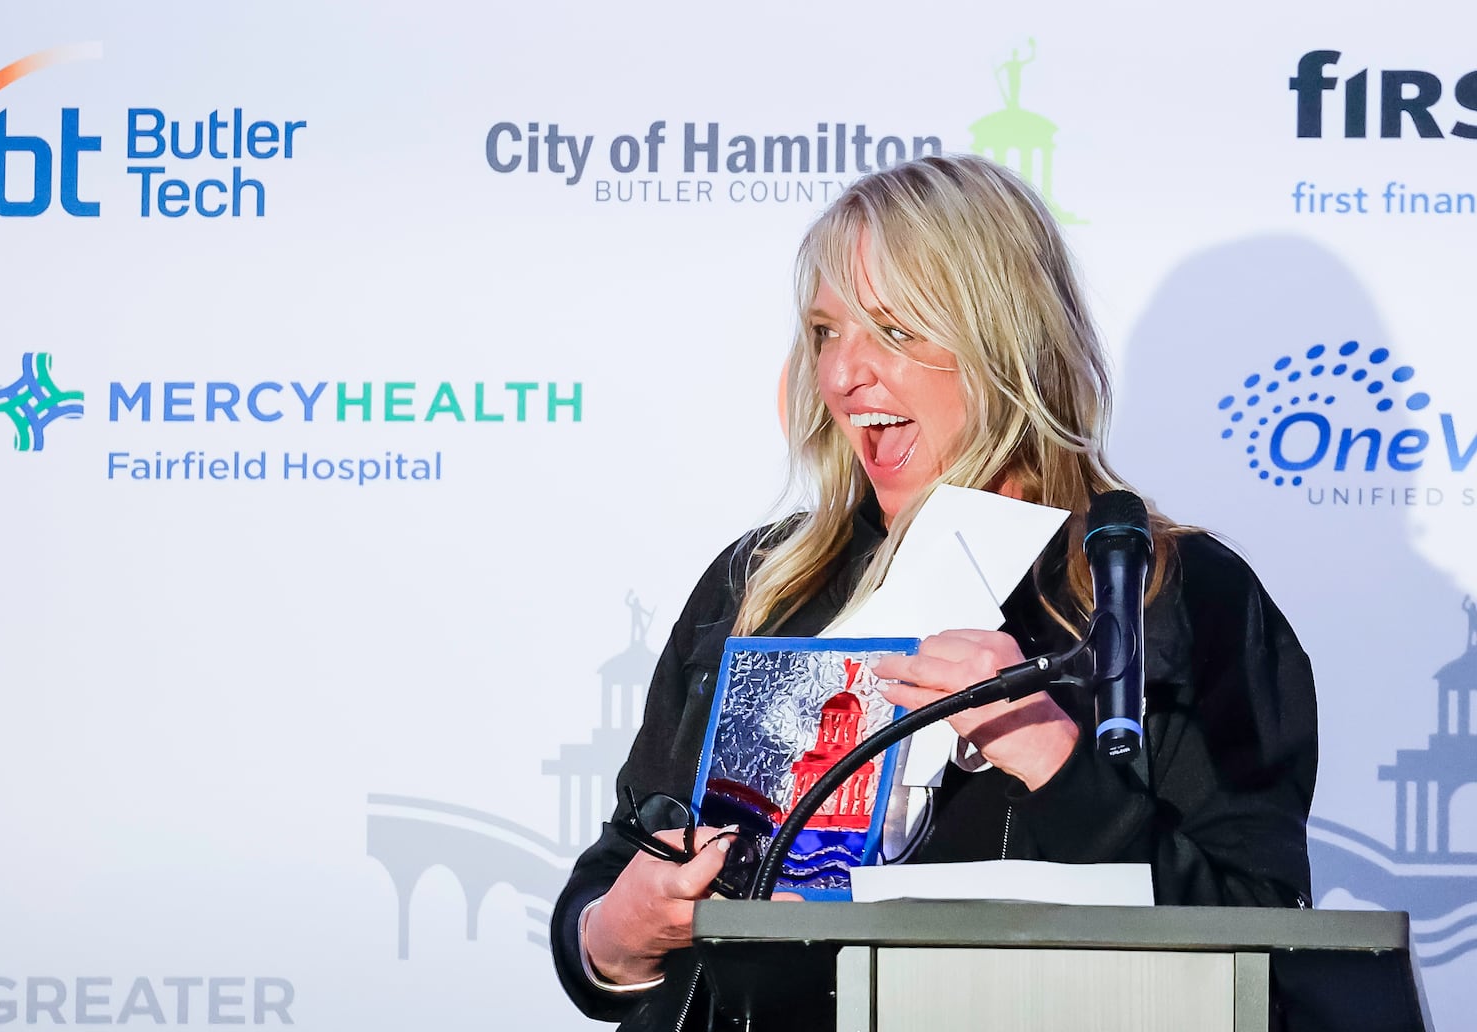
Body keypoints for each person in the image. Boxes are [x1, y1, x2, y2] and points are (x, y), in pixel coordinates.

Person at [549, 155, 1318, 1030]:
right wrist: (616, 934)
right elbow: (611, 883)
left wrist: (1056, 764)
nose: (843, 377)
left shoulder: (1169, 595)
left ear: (1007, 340)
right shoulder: (759, 583)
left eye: (895, 329)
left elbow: (1264, 947)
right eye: (826, 332)